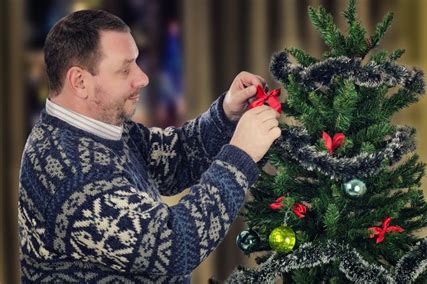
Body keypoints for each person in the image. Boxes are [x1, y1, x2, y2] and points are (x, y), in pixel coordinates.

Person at [18, 9, 281, 283]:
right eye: (125, 68)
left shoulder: (100, 126)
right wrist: (239, 157)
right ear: (80, 81)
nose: (142, 77)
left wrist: (225, 115)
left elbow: (173, 160)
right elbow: (173, 244)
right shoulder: (70, 174)